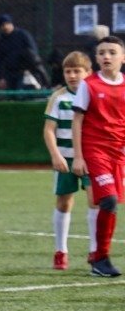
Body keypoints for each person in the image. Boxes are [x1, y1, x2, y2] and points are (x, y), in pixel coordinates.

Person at [67, 35, 125, 278]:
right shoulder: (89, 85)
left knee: (112, 205)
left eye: (112, 52)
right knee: (108, 200)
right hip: (95, 150)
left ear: (123, 57)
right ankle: (100, 257)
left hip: (118, 152)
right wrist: (79, 157)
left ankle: (98, 256)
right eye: (102, 53)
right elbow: (77, 121)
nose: (106, 57)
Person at [43, 52, 97, 272]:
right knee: (64, 202)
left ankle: (95, 251)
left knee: (95, 201)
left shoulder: (94, 95)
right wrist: (55, 155)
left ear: (88, 73)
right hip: (65, 158)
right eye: (68, 71)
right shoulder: (58, 97)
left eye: (77, 71)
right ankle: (61, 250)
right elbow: (48, 130)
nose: (73, 75)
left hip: (91, 157)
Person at [0, 15, 45, 93]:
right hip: (10, 73)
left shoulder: (23, 35)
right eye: (2, 25)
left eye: (7, 24)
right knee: (12, 96)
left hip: (25, 71)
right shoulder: (1, 42)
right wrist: (0, 78)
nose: (5, 27)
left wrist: (30, 67)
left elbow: (33, 53)